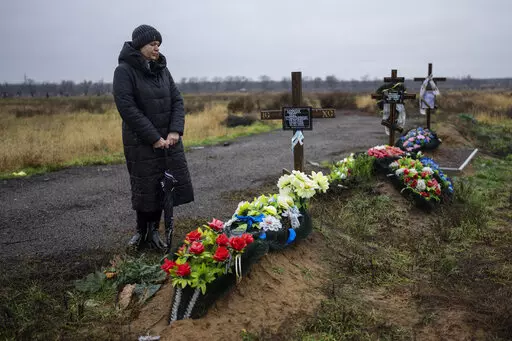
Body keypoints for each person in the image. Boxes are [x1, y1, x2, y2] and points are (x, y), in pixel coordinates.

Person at [113, 24, 194, 251]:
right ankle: (141, 232)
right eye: (152, 44)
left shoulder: (161, 69)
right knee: (144, 186)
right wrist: (153, 137)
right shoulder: (124, 71)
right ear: (140, 46)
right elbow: (127, 108)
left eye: (158, 44)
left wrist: (175, 131)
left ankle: (155, 232)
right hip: (141, 141)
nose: (156, 48)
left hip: (168, 141)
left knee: (162, 186)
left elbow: (177, 100)